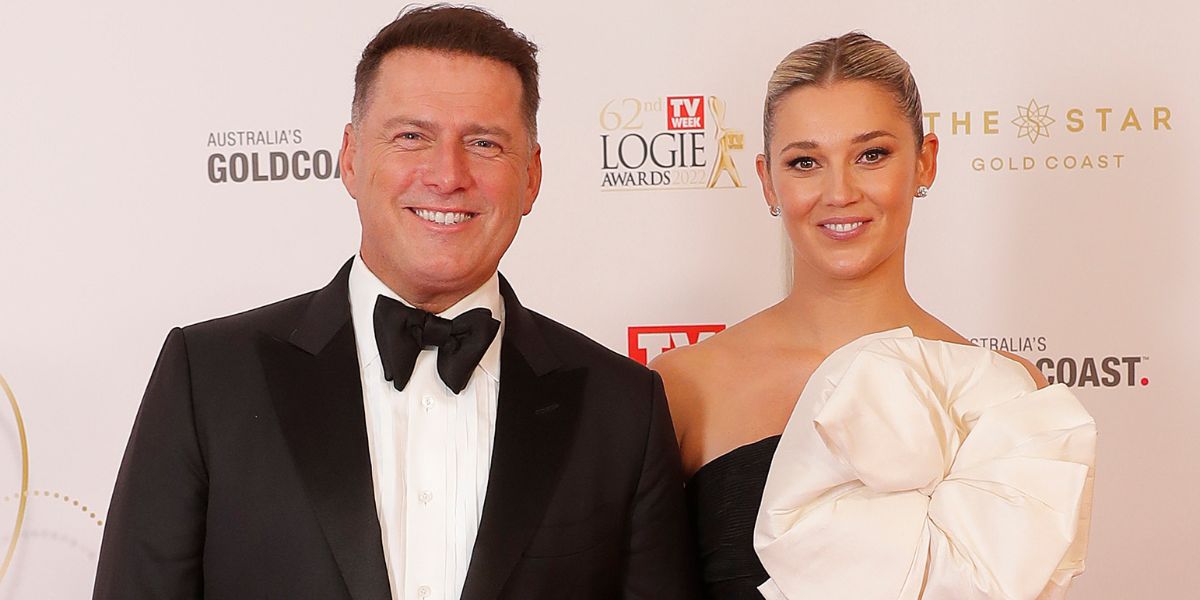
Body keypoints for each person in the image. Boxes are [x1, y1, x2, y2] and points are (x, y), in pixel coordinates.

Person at [93, 6, 698, 600]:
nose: (446, 175)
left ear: (532, 177)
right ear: (352, 158)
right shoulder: (209, 377)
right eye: (412, 136)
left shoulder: (622, 408)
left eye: (484, 144)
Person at [652, 32, 1096, 600]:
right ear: (767, 180)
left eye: (871, 155)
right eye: (805, 162)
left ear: (925, 162)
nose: (839, 192)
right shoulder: (682, 388)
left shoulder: (1007, 396)